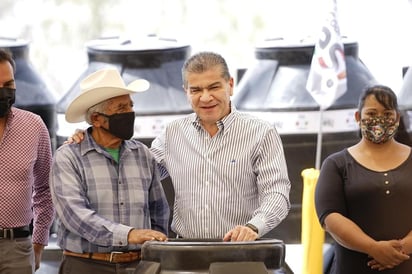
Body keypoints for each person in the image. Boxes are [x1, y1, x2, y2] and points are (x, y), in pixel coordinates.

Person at [70, 51, 291, 242]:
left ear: (230, 85)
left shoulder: (262, 133)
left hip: (242, 252)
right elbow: (136, 172)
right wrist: (93, 136)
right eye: (196, 90)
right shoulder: (172, 133)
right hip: (186, 254)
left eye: (214, 87)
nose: (206, 97)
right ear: (185, 91)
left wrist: (253, 227)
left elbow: (277, 193)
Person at [50, 68, 170, 274]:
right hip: (86, 265)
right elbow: (74, 215)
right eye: (121, 108)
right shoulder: (69, 157)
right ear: (96, 119)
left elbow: (158, 208)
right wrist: (130, 234)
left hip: (140, 265)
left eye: (130, 105)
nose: (130, 113)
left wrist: (155, 245)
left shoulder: (142, 154)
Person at [315, 84, 412, 274]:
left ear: (397, 118)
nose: (379, 119)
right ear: (358, 117)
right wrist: (373, 248)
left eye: (387, 114)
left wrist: (401, 249)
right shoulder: (336, 164)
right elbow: (330, 217)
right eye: (372, 113)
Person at [0, 48, 55, 273]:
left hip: (17, 247)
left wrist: (39, 241)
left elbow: (45, 189)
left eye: (9, 85)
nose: (4, 92)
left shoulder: (34, 126)